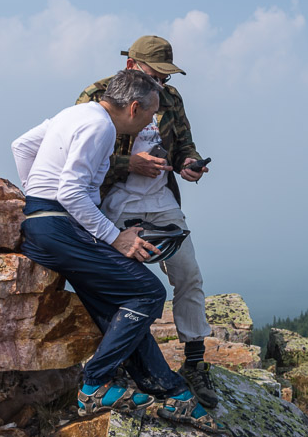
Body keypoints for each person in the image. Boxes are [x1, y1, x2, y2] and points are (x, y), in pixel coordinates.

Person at [12, 69, 223, 433]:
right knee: (148, 292)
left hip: (45, 224)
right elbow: (71, 193)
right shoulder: (102, 127)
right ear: (134, 107)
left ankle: (169, 391)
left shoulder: (73, 113)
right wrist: (115, 237)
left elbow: (22, 146)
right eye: (150, 114)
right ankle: (94, 384)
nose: (151, 122)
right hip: (60, 225)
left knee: (116, 305)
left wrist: (35, 195)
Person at [76, 35, 217, 408]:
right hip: (116, 201)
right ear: (131, 66)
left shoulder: (171, 99)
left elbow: (184, 143)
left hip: (162, 199)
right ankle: (120, 361)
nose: (162, 84)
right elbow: (82, 159)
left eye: (166, 78)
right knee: (121, 286)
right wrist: (130, 164)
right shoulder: (98, 95)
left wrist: (189, 163)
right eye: (156, 76)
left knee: (188, 274)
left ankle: (196, 361)